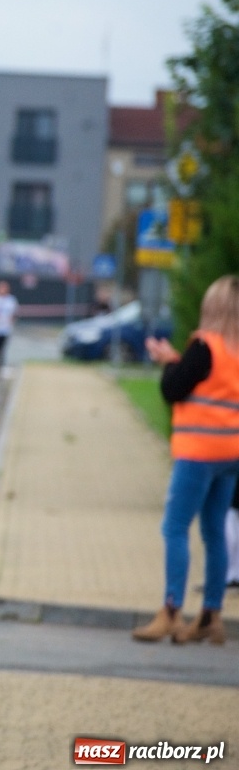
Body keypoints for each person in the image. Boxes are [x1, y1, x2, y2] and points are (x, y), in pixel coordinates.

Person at [131, 275, 239, 645]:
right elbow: (209, 383)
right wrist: (178, 361)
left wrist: (166, 363)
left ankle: (172, 611)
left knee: (175, 528)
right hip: (231, 454)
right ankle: (211, 615)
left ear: (214, 308)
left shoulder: (205, 345)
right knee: (214, 533)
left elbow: (173, 389)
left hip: (198, 453)